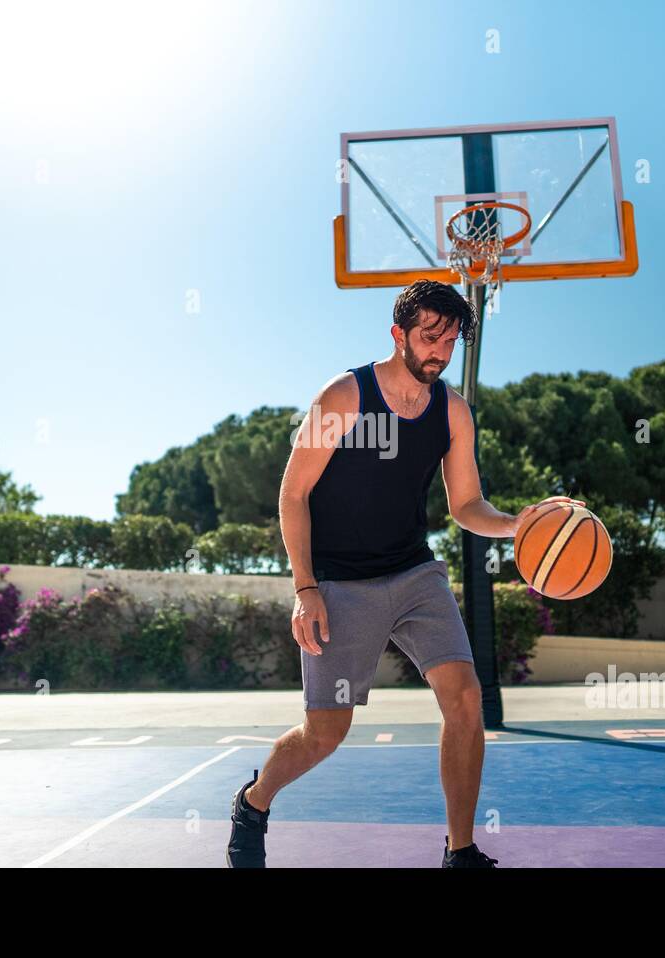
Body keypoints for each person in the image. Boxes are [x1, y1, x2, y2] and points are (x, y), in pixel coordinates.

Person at [227, 279, 581, 868]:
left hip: (414, 574)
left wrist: (523, 525)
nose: (439, 351)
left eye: (450, 341)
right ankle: (254, 802)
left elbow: (468, 506)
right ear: (399, 335)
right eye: (428, 336)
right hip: (339, 582)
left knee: (465, 701)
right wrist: (305, 588)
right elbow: (293, 495)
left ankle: (460, 852)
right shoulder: (344, 396)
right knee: (325, 733)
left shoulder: (453, 413)